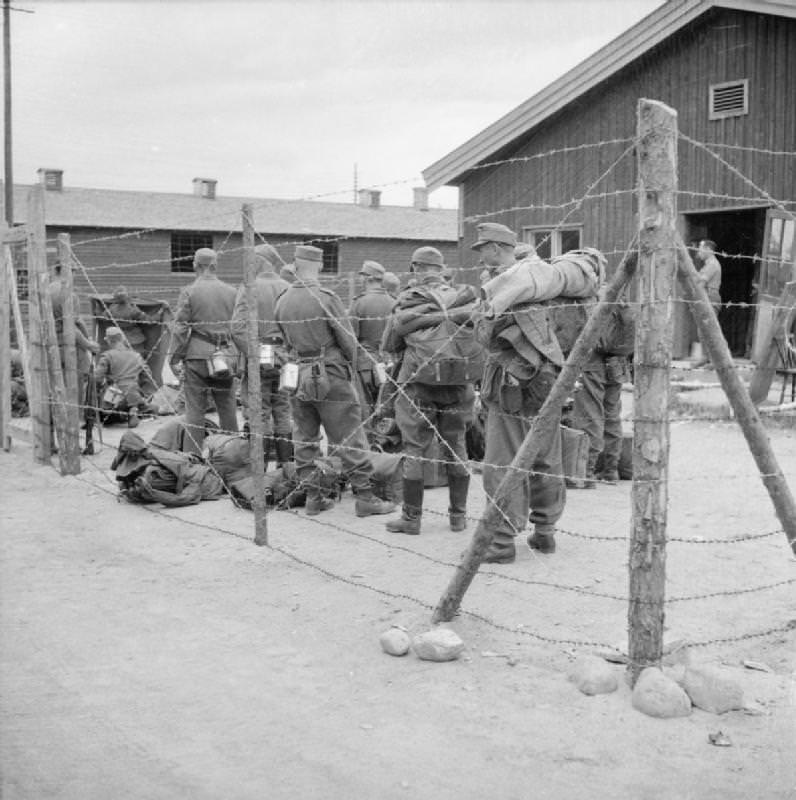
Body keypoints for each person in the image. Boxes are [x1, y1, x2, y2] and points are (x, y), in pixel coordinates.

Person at [474, 222, 600, 563]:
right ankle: (545, 533)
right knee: (547, 458)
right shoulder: (558, 288)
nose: (481, 257)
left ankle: (499, 542)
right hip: (553, 384)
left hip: (512, 387)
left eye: (483, 249)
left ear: (500, 249)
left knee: (502, 462)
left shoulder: (510, 286)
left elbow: (485, 335)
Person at [272, 244, 395, 517]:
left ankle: (313, 497)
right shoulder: (325, 297)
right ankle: (365, 497)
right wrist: (350, 372)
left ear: (295, 264)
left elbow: (282, 340)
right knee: (349, 435)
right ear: (318, 265)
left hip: (297, 373)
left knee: (305, 438)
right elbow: (348, 340)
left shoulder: (282, 300)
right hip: (330, 372)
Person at [382, 246, 482, 535]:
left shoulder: (409, 299)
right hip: (459, 383)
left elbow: (390, 344)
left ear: (415, 268)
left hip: (418, 385)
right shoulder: (463, 297)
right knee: (457, 445)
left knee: (415, 448)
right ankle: (458, 518)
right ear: (442, 269)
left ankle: (412, 520)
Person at [170, 248, 239, 455]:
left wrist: (174, 357)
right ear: (215, 266)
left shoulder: (189, 291)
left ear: (195, 265)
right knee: (227, 407)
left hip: (197, 355)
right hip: (225, 356)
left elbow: (181, 327)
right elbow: (238, 326)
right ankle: (232, 455)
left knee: (195, 412)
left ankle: (193, 459)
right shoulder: (232, 292)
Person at [231, 243, 293, 467]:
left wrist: (255, 355)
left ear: (260, 260)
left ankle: (259, 474)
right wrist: (286, 355)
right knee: (284, 410)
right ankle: (287, 470)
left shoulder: (250, 287)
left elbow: (237, 328)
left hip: (260, 353)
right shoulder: (287, 286)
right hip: (284, 356)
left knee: (259, 412)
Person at [570, 293, 635, 486]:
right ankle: (610, 470)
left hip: (592, 362)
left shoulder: (592, 296)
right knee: (612, 414)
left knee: (590, 414)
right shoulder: (622, 299)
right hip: (617, 362)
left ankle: (587, 471)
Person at [348, 260, 396, 421]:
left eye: (362, 276)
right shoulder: (394, 302)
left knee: (366, 411)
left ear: (369, 278)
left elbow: (351, 338)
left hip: (365, 364)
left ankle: (368, 444)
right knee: (386, 411)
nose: (360, 280)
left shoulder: (359, 302)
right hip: (389, 363)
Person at [94, 327, 151, 427]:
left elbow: (97, 378)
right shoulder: (136, 356)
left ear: (109, 341)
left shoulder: (107, 356)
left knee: (106, 419)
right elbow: (148, 375)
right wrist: (139, 388)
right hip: (133, 394)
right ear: (122, 339)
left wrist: (100, 388)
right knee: (136, 401)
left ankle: (118, 415)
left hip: (113, 396)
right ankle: (133, 409)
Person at [105, 286, 150, 359]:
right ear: (127, 297)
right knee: (137, 360)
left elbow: (103, 316)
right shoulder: (133, 310)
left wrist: (96, 305)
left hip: (117, 338)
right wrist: (160, 312)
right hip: (134, 339)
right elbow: (147, 320)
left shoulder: (112, 308)